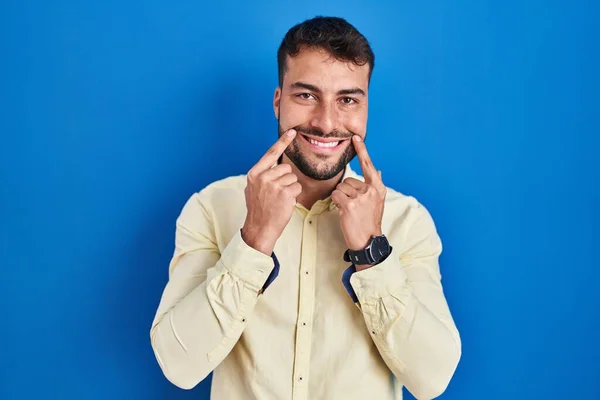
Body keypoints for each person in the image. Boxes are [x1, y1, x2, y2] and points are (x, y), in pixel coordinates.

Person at [150, 16, 461, 400]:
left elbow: (432, 380)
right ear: (278, 100)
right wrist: (253, 241)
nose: (326, 122)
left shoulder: (407, 220)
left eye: (347, 99)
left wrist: (371, 252)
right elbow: (178, 365)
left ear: (365, 108)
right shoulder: (211, 207)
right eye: (306, 95)